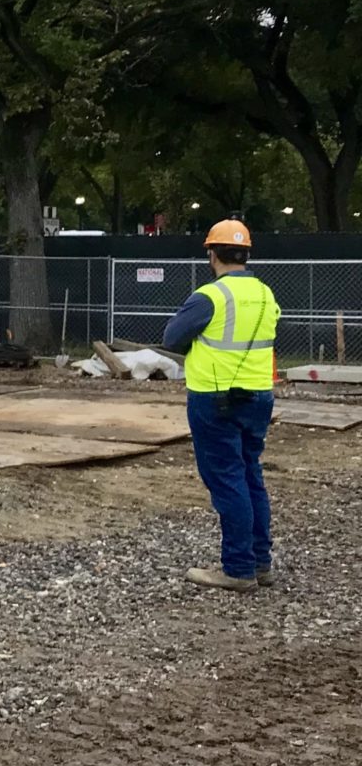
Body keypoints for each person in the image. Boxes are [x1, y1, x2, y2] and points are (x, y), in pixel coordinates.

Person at [162, 219, 280, 592]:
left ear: (212, 255)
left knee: (228, 479)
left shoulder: (209, 297)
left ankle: (238, 568)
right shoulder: (265, 293)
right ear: (246, 254)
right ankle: (260, 562)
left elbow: (172, 338)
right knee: (250, 475)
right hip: (259, 395)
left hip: (216, 399)